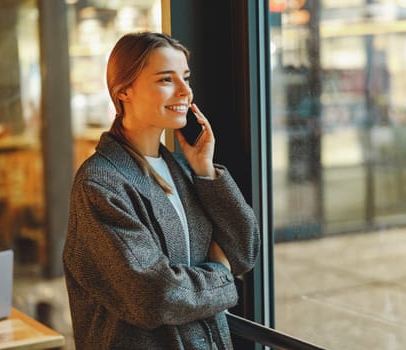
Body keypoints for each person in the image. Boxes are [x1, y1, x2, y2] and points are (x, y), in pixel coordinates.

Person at [63, 32, 261, 349]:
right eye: (166, 79)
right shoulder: (99, 184)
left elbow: (243, 252)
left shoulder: (182, 170)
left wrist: (207, 173)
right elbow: (154, 296)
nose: (185, 91)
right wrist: (220, 274)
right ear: (123, 91)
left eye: (185, 78)